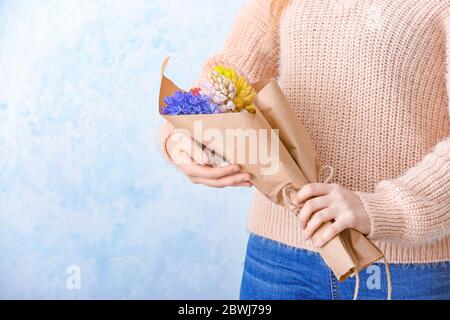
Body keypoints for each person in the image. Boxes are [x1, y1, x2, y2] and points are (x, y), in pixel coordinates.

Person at [160, 0, 450, 300]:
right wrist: (183, 135)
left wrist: (385, 208)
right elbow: (228, 76)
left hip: (403, 267)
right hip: (278, 258)